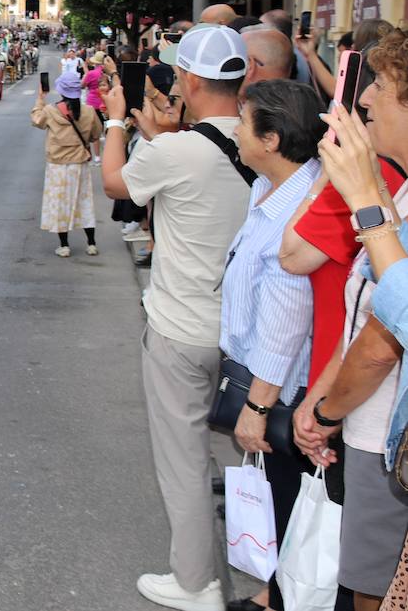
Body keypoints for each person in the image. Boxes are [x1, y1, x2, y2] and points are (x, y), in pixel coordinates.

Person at [100, 25, 253, 611]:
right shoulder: (275, 137)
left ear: (187, 79)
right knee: (253, 456)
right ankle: (266, 570)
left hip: (183, 326)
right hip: (250, 332)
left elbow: (118, 183)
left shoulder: (176, 149)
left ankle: (195, 582)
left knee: (184, 457)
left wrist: (117, 121)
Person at [294, 31, 408, 611]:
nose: (365, 101)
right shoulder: (402, 190)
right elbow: (366, 311)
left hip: (383, 434)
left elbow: (391, 331)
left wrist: (325, 410)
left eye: (381, 87)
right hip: (374, 427)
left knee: (372, 590)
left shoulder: (385, 192)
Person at [216, 80, 325, 611]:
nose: (236, 130)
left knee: (288, 494)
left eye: (244, 122)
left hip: (282, 389)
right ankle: (274, 591)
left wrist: (257, 408)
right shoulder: (270, 187)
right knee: (286, 496)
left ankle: (280, 599)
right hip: (269, 377)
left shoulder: (295, 214)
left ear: (273, 139)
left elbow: (285, 325)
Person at [31, 71, 102, 257]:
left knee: (59, 203)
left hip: (57, 165)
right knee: (84, 202)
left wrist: (40, 98)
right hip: (80, 163)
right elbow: (96, 134)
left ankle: (64, 245)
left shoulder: (50, 111)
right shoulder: (89, 111)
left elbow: (36, 120)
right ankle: (91, 243)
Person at [82, 52, 107, 164]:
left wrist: (86, 73)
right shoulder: (107, 73)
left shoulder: (91, 73)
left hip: (93, 103)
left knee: (94, 131)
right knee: (107, 129)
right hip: (107, 102)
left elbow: (82, 85)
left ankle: (97, 157)